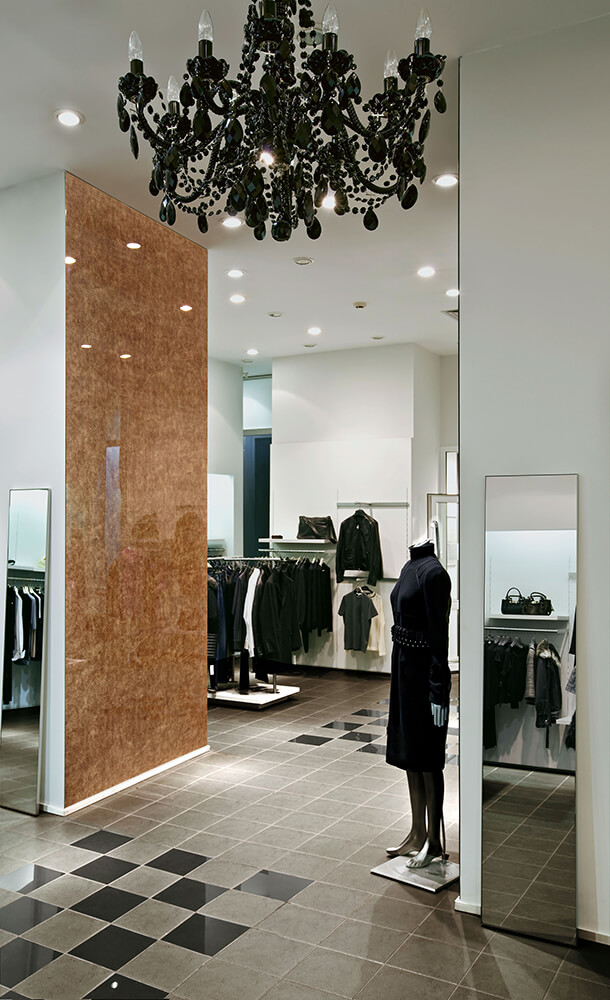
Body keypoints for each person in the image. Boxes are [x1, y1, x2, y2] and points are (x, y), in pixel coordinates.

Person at [385, 538, 452, 868]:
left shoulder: (434, 573)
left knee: (428, 758)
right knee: (411, 755)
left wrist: (438, 688)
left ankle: (434, 842)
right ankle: (416, 832)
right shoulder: (409, 566)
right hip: (404, 672)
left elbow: (440, 636)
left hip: (424, 675)